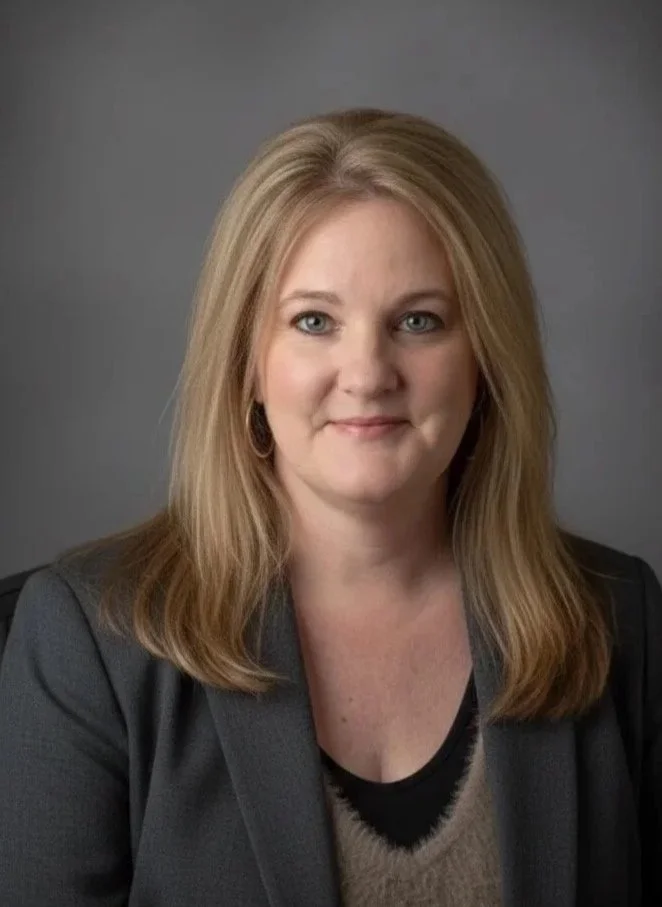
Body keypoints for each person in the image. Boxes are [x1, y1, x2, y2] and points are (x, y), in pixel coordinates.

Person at [0, 107, 660, 907]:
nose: (368, 371)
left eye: (419, 320)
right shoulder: (87, 640)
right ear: (246, 361)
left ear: (485, 359)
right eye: (314, 321)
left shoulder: (621, 619)